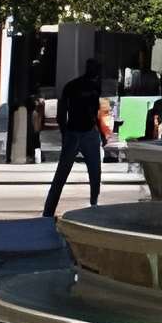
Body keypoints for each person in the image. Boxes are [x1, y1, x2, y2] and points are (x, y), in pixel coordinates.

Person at [41, 58, 105, 216]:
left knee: (79, 173)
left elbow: (92, 113)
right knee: (91, 173)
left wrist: (100, 133)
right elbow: (63, 112)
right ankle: (92, 205)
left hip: (81, 132)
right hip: (79, 133)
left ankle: (49, 211)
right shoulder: (81, 86)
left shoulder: (85, 86)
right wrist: (66, 132)